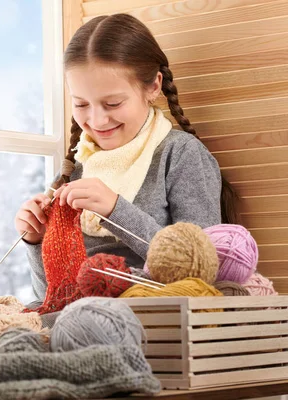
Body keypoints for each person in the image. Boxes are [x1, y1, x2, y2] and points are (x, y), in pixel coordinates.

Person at [14, 14, 238, 301]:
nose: (96, 119)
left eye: (113, 103)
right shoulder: (76, 168)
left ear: (153, 87)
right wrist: (37, 239)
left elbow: (202, 274)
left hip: (146, 320)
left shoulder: (180, 155)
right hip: (75, 320)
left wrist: (116, 210)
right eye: (81, 104)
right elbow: (50, 299)